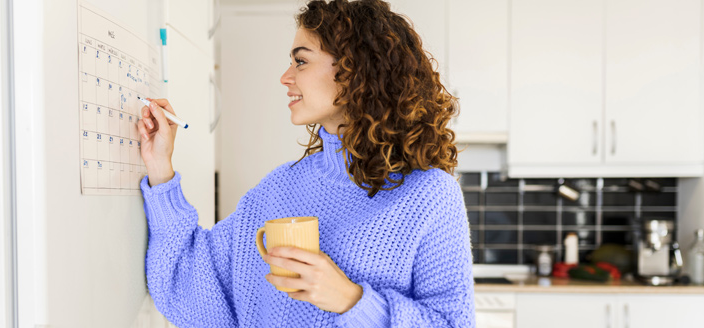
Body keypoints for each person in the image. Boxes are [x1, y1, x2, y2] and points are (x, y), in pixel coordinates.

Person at [136, 0, 473, 326]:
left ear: (356, 69)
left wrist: (351, 300)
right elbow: (189, 280)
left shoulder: (430, 196)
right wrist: (160, 169)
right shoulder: (279, 187)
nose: (285, 77)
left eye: (301, 61)